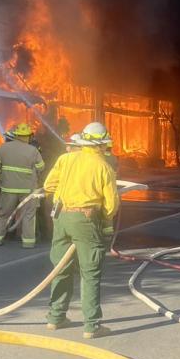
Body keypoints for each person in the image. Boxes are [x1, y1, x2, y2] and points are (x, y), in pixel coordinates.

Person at [43, 121, 120, 338]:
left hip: (61, 217)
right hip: (86, 220)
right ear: (101, 145)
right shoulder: (104, 167)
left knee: (60, 267)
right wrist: (105, 221)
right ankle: (92, 326)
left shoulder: (65, 159)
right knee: (90, 272)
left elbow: (49, 186)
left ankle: (56, 317)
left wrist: (64, 197)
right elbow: (111, 205)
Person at [0, 123, 45, 248]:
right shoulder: (33, 150)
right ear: (28, 136)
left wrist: (0, 177)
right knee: (28, 215)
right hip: (28, 190)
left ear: (16, 135)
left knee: (3, 214)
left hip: (8, 188)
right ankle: (28, 243)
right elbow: (41, 167)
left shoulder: (3, 148)